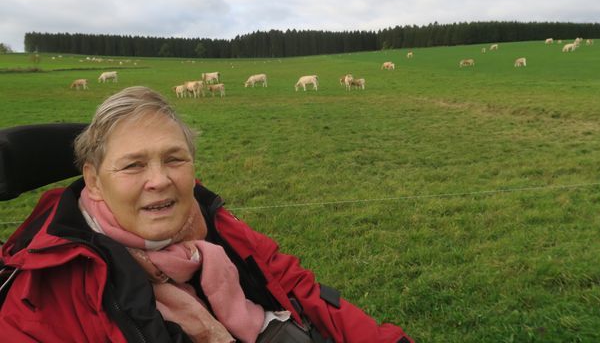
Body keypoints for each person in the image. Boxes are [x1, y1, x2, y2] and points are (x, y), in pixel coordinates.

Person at [0, 86, 412, 343]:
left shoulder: (212, 222)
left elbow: (297, 287)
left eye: (174, 159)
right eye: (133, 165)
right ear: (92, 180)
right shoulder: (43, 294)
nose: (159, 181)